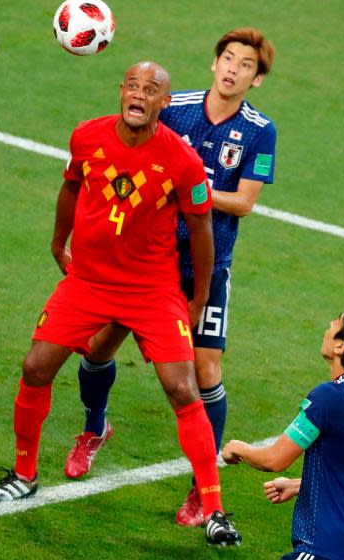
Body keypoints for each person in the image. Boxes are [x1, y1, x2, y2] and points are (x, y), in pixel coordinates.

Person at [0, 61, 242, 547]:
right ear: (121, 91)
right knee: (36, 366)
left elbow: (202, 228)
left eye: (152, 90)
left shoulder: (182, 161)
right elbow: (71, 187)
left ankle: (214, 510)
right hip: (89, 282)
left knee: (182, 389)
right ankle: (23, 474)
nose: (140, 95)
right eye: (133, 86)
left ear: (165, 103)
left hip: (152, 290)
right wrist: (60, 242)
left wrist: (200, 294)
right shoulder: (86, 137)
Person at [62, 28, 277, 526]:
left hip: (204, 266)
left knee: (205, 375)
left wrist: (191, 185)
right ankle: (95, 428)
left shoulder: (259, 130)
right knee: (96, 350)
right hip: (139, 261)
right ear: (213, 62)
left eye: (245, 65)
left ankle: (202, 491)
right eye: (227, 58)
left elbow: (243, 202)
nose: (232, 69)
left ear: (257, 79)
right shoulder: (171, 103)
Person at [221, 300, 344, 560]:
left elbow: (274, 459)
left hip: (326, 548)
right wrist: (298, 485)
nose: (329, 325)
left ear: (340, 345)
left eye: (336, 322)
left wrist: (237, 448)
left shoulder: (329, 397)